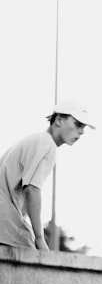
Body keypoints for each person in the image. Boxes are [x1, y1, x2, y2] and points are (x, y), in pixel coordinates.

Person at [0, 100, 95, 250]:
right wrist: (39, 238)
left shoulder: (33, 140)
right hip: (6, 226)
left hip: (5, 222)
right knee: (34, 262)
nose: (82, 132)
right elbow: (32, 190)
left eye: (83, 127)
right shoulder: (47, 144)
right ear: (58, 120)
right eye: (77, 124)